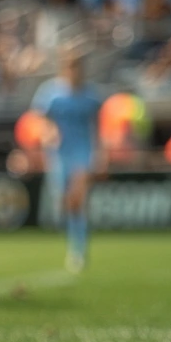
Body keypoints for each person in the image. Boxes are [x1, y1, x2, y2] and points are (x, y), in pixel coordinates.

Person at [32, 52, 103, 273]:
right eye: (70, 65)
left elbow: (98, 127)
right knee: (65, 203)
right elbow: (39, 119)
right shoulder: (50, 94)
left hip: (83, 152)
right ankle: (75, 240)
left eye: (77, 65)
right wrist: (49, 131)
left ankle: (78, 249)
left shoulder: (91, 96)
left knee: (77, 198)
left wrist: (101, 153)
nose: (74, 70)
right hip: (59, 154)